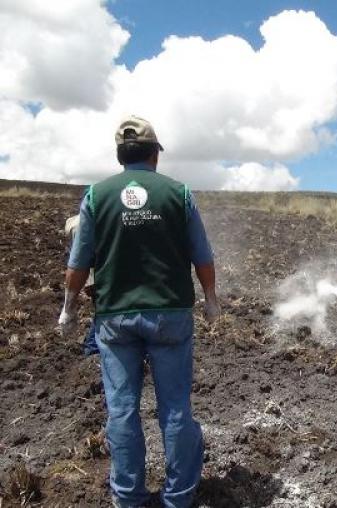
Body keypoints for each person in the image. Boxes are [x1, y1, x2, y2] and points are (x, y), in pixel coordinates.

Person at [57, 115, 220, 508]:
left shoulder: (96, 196)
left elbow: (79, 262)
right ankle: (178, 497)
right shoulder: (178, 193)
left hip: (115, 318)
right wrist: (211, 299)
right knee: (176, 407)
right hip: (170, 314)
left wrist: (68, 307)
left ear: (120, 156)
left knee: (122, 409)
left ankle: (129, 497)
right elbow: (202, 254)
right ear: (154, 155)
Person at [64, 215, 99, 355]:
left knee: (100, 311)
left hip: (87, 273)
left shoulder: (72, 223)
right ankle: (92, 350)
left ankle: (92, 349)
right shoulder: (91, 222)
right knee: (102, 315)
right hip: (96, 272)